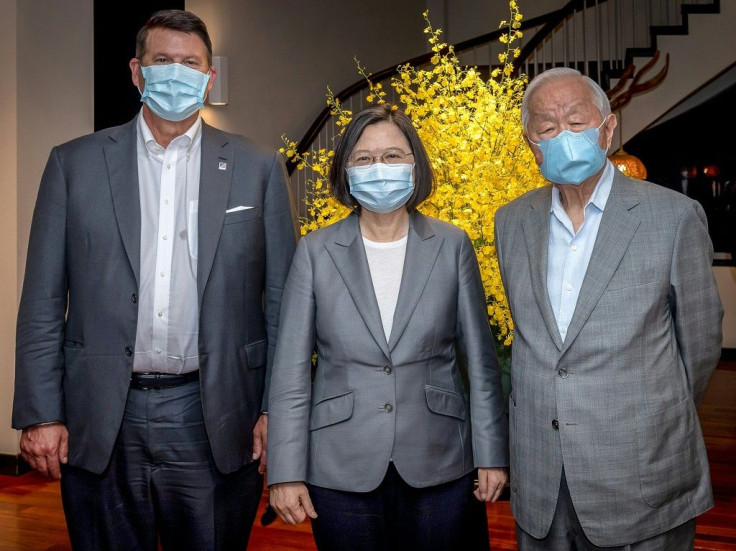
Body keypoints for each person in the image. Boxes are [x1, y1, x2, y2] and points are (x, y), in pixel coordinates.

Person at [12, 9, 298, 551]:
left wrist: (275, 410)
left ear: (210, 78)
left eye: (190, 63)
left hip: (215, 414)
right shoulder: (74, 165)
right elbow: (43, 299)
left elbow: (284, 301)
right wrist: (41, 412)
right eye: (162, 60)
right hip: (100, 416)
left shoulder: (258, 168)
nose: (176, 72)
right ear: (136, 72)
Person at [494, 67, 723, 550]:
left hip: (641, 471)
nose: (564, 136)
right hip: (541, 475)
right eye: (548, 127)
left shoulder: (672, 217)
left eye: (577, 122)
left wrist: (649, 412)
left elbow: (699, 346)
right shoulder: (512, 220)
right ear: (530, 142)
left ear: (608, 127)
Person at [266, 104, 509, 551]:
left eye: (393, 155)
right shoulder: (315, 253)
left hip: (441, 459)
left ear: (415, 165)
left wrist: (492, 456)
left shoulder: (452, 245)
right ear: (345, 171)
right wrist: (285, 471)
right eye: (364, 158)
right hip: (340, 462)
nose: (379, 168)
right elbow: (290, 375)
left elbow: (481, 365)